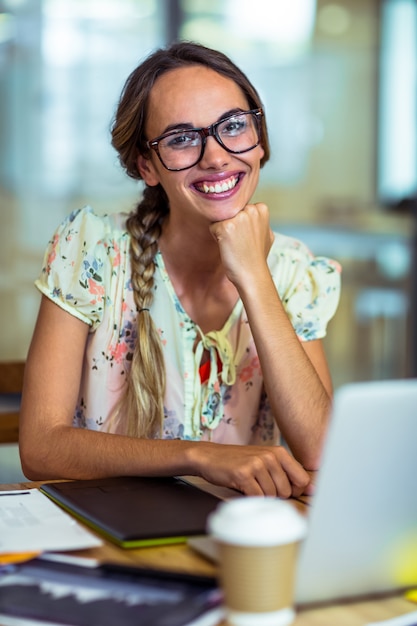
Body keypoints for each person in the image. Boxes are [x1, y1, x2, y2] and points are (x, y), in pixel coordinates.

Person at [19, 41, 341, 498]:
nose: (215, 156)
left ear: (260, 138)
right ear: (147, 165)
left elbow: (322, 454)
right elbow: (40, 449)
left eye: (233, 126)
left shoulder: (293, 271)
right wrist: (197, 455)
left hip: (237, 537)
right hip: (110, 530)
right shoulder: (93, 249)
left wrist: (254, 277)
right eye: (182, 138)